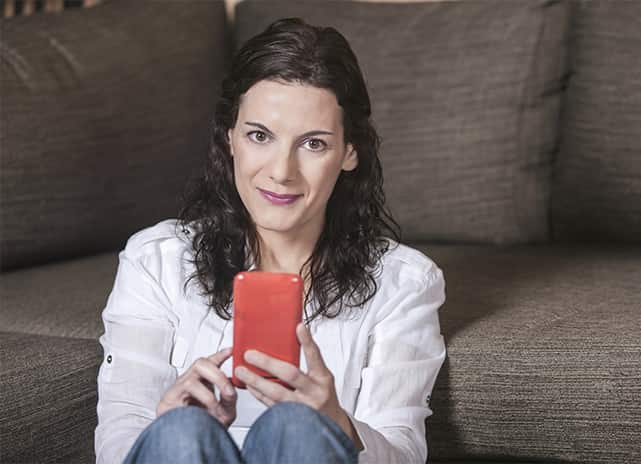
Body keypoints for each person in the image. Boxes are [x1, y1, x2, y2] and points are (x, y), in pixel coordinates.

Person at [94, 17, 446, 464]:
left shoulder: (405, 283)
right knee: (180, 431)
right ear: (231, 140)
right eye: (260, 136)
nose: (282, 171)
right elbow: (117, 435)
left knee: (297, 428)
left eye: (313, 144)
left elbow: (404, 452)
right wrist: (161, 420)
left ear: (349, 152)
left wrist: (337, 422)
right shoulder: (155, 260)